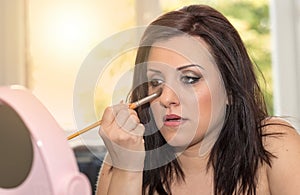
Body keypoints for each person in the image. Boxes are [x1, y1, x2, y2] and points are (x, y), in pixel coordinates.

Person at [96, 4, 300, 195]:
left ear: (229, 88)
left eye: (190, 79)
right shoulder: (122, 159)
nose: (166, 98)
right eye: (156, 81)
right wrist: (128, 169)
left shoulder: (275, 146)